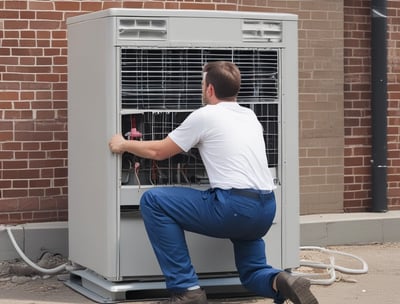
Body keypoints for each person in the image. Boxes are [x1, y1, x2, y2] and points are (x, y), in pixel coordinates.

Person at [109, 61, 318, 304]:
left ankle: (186, 290)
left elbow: (159, 152)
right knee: (252, 273)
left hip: (233, 207)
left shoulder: (205, 115)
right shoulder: (250, 115)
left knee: (153, 200)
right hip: (265, 208)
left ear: (209, 89)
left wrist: (122, 144)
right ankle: (283, 281)